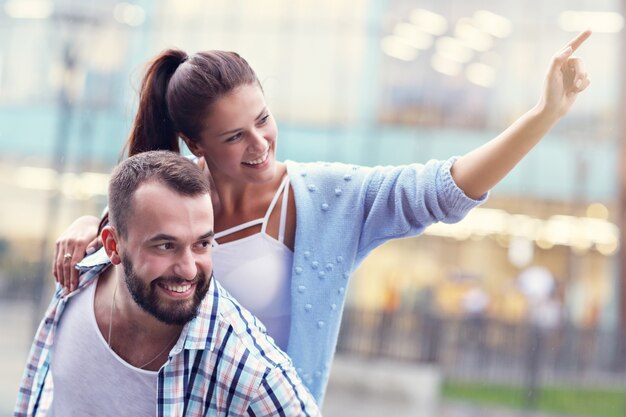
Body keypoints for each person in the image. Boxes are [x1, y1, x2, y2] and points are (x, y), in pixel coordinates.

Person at [52, 30, 592, 404]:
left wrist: (543, 115)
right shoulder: (169, 202)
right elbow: (116, 264)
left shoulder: (327, 200)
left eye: (263, 120)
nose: (259, 143)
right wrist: (85, 230)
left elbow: (439, 188)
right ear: (196, 144)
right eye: (234, 136)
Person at [15, 151, 320, 416]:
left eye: (202, 244)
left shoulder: (249, 367)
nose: (188, 270)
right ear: (112, 246)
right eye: (165, 246)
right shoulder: (77, 275)